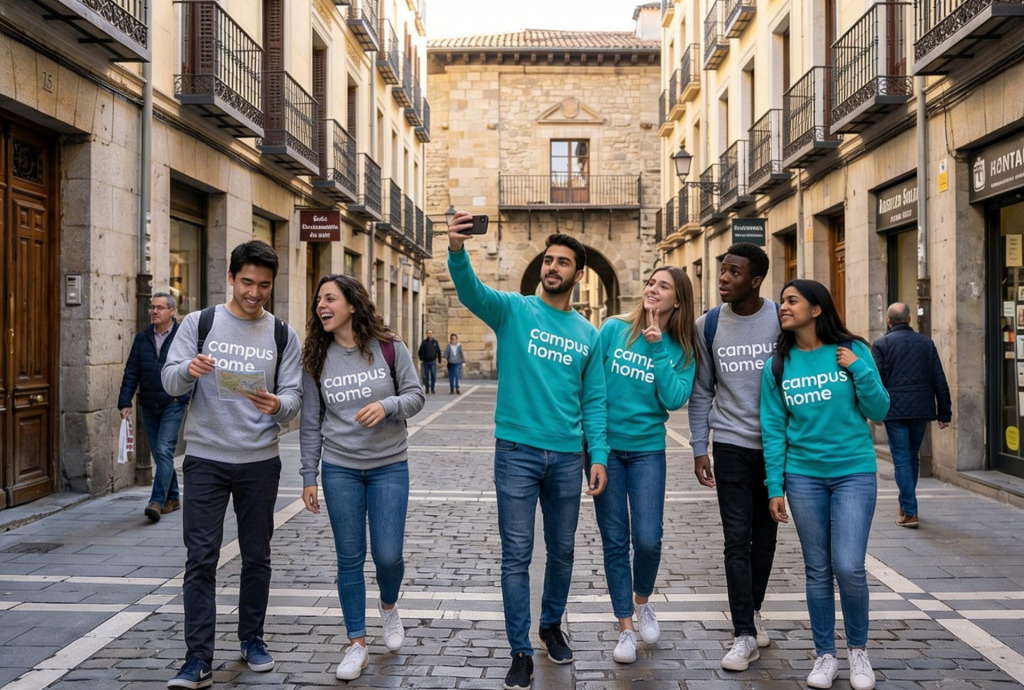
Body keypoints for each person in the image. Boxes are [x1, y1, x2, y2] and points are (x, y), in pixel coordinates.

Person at [447, 213, 609, 690]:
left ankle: (550, 625)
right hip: (515, 451)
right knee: (517, 554)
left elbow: (595, 399)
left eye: (563, 262)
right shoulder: (514, 310)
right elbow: (472, 291)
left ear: (579, 274)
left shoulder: (588, 334)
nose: (553, 266)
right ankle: (520, 650)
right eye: (549, 259)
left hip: (565, 457)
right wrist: (458, 250)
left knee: (561, 551)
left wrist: (596, 455)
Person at [161, 241, 302, 689]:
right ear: (231, 277)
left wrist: (278, 404)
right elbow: (168, 380)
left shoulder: (282, 334)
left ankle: (252, 638)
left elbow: (296, 398)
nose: (254, 293)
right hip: (205, 459)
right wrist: (190, 370)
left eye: (263, 285)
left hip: (260, 462)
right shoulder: (199, 323)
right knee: (200, 558)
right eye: (247, 283)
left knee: (257, 556)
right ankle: (197, 657)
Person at [760, 279, 889, 690]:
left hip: (854, 471)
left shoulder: (852, 351)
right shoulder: (778, 364)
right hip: (803, 477)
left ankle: (858, 652)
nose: (783, 306)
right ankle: (825, 655)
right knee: (817, 569)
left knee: (849, 566)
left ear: (817, 309)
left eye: (792, 300)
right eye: (782, 301)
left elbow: (880, 410)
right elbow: (773, 428)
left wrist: (859, 369)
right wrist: (774, 486)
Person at [299, 274, 425, 681]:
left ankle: (389, 606)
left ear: (352, 305)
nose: (322, 305)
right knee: (348, 559)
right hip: (340, 469)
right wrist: (308, 475)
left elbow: (415, 395)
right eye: (319, 299)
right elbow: (310, 422)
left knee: (388, 555)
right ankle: (356, 643)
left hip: (390, 465)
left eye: (330, 298)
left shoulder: (389, 346)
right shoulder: (316, 358)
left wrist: (387, 405)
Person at [594, 266, 698, 664]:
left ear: (678, 300)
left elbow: (674, 400)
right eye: (651, 282)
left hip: (648, 451)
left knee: (649, 539)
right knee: (615, 540)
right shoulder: (613, 330)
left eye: (664, 286)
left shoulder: (682, 349)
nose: (653, 289)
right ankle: (625, 627)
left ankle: (643, 602)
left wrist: (657, 348)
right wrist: (597, 453)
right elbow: (594, 392)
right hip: (607, 451)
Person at [687, 242, 781, 672]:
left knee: (765, 538)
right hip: (729, 445)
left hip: (775, 448)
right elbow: (702, 388)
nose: (723, 278)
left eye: (733, 272)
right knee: (735, 539)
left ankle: (754, 611)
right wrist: (698, 445)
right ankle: (743, 632)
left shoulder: (781, 319)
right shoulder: (708, 325)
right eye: (722, 270)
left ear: (756, 279)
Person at [871, 302, 952, 528]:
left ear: (888, 321)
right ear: (909, 320)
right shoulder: (926, 343)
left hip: (894, 410)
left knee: (901, 459)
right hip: (920, 409)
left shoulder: (881, 344)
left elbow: (877, 381)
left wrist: (874, 411)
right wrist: (944, 412)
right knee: (912, 456)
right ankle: (906, 504)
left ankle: (910, 510)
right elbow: (939, 378)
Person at [118, 291, 190, 523]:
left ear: (172, 311)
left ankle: (156, 501)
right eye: (152, 307)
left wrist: (183, 396)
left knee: (164, 450)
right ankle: (174, 497)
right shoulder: (142, 338)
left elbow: (192, 366)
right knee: (160, 453)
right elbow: (132, 370)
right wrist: (125, 401)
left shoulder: (182, 336)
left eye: (160, 307)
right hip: (148, 403)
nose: (154, 311)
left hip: (173, 402)